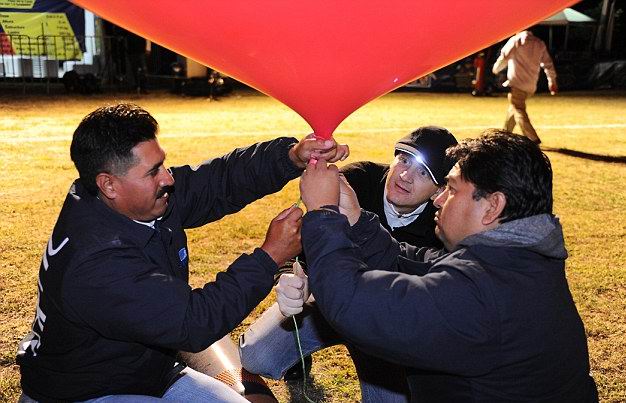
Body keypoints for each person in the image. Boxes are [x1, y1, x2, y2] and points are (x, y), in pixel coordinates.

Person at [15, 103, 348, 402]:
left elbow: (218, 182)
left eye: (163, 164)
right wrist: (269, 257)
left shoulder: (127, 202)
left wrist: (289, 157)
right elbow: (194, 322)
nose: (168, 178)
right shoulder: (97, 263)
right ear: (109, 185)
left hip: (145, 370)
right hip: (88, 391)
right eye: (153, 171)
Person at [294, 130, 598, 402]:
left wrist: (323, 213)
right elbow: (413, 264)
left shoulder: (481, 294)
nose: (439, 200)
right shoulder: (518, 260)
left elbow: (352, 302)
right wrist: (356, 219)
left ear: (492, 206)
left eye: (451, 189)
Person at [239, 127, 457, 402]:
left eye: (423, 172)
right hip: (327, 302)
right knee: (256, 355)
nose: (405, 175)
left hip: (383, 323)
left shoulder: (442, 225)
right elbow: (303, 243)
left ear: (440, 191)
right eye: (404, 159)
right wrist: (294, 280)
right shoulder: (357, 181)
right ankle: (298, 357)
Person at [492, 30, 558, 144]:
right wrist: (552, 81)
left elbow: (504, 57)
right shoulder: (539, 43)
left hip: (517, 84)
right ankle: (505, 135)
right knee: (514, 108)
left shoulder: (515, 40)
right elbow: (548, 64)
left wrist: (496, 69)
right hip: (531, 85)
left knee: (518, 109)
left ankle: (532, 138)